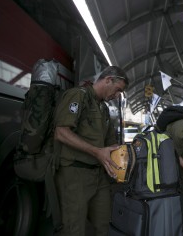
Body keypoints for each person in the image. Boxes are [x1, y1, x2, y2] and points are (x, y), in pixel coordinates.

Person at [53, 66, 128, 235]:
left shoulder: (104, 109)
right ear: (108, 79)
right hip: (75, 175)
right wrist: (96, 152)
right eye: (118, 90)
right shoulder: (78, 96)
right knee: (75, 228)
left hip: (99, 176)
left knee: (103, 224)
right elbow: (61, 132)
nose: (117, 96)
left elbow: (111, 145)